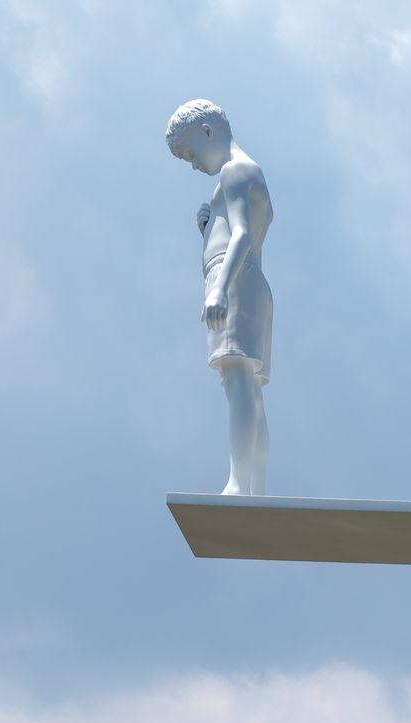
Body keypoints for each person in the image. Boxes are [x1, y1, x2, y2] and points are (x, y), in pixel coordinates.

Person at [166, 99, 274, 496]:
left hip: (235, 283)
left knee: (238, 381)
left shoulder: (235, 171)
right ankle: (254, 487)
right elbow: (237, 232)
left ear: (207, 131)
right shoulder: (244, 174)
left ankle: (237, 483)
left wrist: (217, 288)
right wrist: (208, 230)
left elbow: (243, 234)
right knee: (245, 386)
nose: (194, 164)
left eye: (192, 152)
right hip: (246, 280)